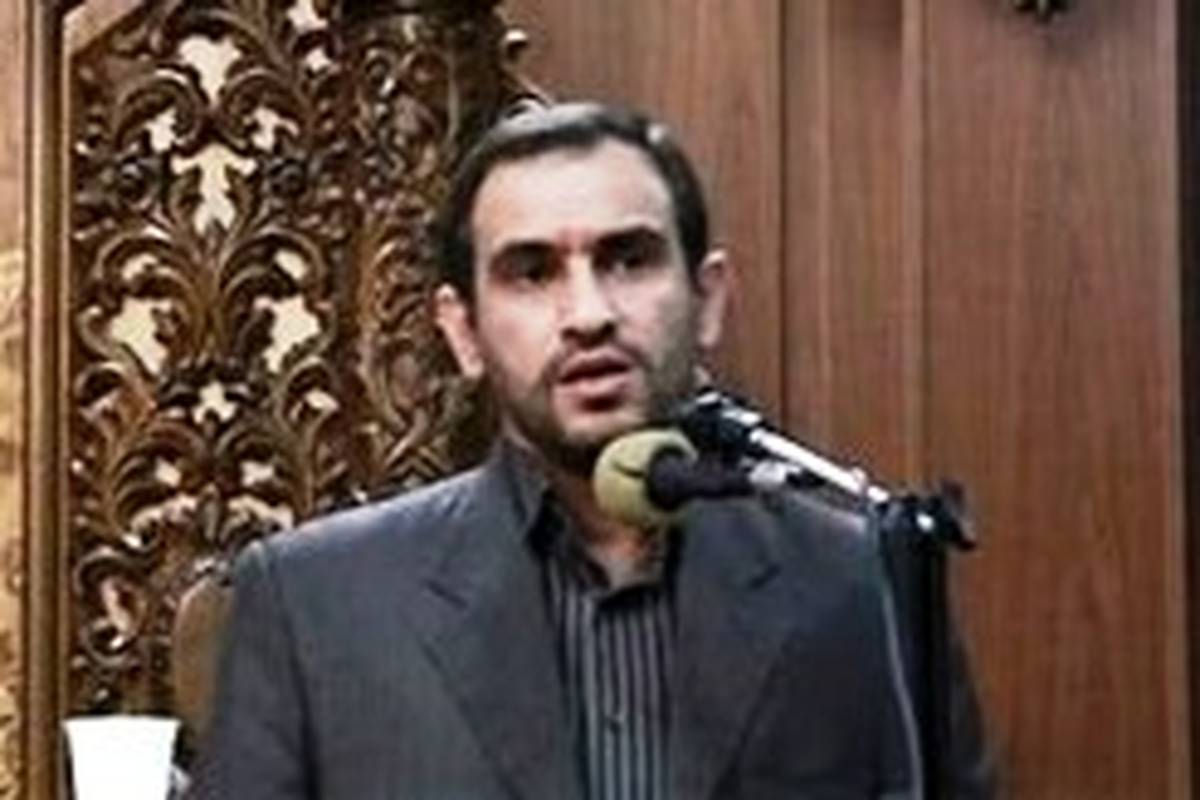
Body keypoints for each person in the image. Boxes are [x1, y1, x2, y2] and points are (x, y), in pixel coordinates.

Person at [192, 101, 994, 799]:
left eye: (628, 259)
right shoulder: (315, 603)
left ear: (708, 298)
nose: (588, 314)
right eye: (532, 272)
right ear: (463, 332)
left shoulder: (857, 583)